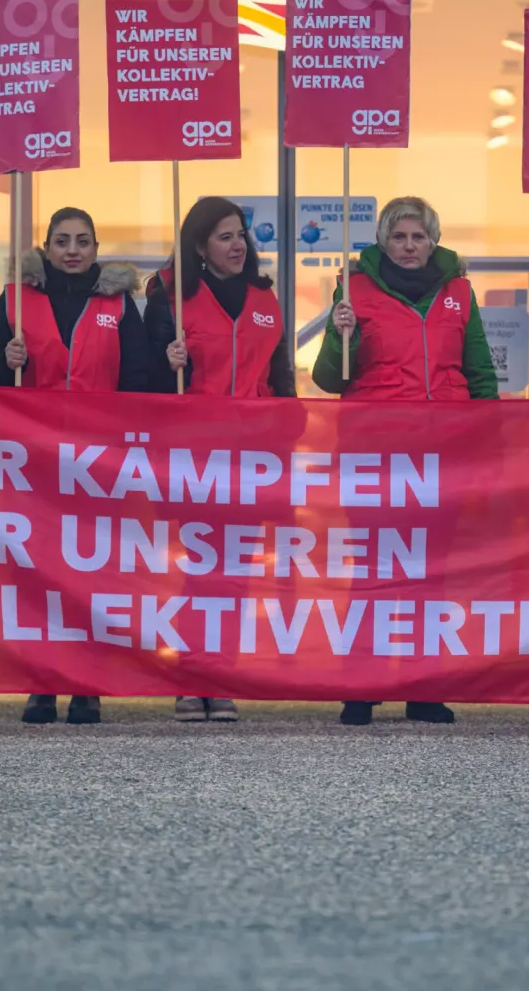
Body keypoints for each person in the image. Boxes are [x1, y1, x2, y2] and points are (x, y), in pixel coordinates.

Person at [314, 195, 498, 726]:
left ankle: (425, 685)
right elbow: (331, 379)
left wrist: (491, 443)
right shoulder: (353, 291)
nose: (410, 246)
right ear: (383, 242)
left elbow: (479, 370)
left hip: (444, 452)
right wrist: (338, 332)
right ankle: (361, 686)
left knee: (431, 570)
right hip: (374, 451)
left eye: (419, 237)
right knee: (373, 567)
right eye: (400, 237)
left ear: (434, 242)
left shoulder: (460, 293)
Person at [0, 207, 153, 727]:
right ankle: (42, 682)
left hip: (98, 462)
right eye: (62, 241)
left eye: (83, 241)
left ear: (96, 249)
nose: (72, 250)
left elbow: (140, 378)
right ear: (46, 248)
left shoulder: (119, 304)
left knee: (92, 573)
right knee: (36, 571)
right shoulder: (17, 302)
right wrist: (3, 361)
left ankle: (85, 684)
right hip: (34, 460)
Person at [146, 195, 296, 722]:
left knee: (236, 567)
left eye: (241, 235)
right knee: (196, 568)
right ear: (199, 246)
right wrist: (167, 364)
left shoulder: (265, 298)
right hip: (191, 453)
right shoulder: (168, 296)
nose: (238, 245)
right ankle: (191, 677)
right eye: (225, 236)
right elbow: (142, 380)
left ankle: (221, 674)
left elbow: (281, 377)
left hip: (252, 454)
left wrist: (288, 435)